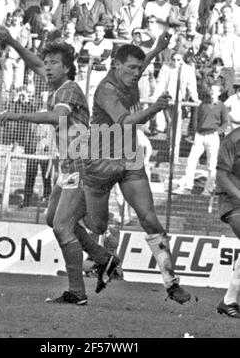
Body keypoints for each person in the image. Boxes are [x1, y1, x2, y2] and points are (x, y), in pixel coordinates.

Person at [0, 29, 119, 305]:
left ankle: (77, 291)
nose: (48, 66)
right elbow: (34, 62)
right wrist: (13, 41)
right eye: (47, 61)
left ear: (67, 67)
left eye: (54, 62)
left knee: (63, 226)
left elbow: (58, 117)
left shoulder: (69, 89)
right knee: (54, 219)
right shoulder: (57, 84)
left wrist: (17, 115)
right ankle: (103, 259)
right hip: (70, 166)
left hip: (84, 165)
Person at [81, 35, 192, 304]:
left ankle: (171, 283)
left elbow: (143, 65)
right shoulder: (106, 90)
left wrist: (157, 48)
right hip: (100, 162)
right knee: (98, 224)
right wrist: (154, 109)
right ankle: (99, 255)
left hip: (130, 158)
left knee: (149, 218)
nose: (137, 73)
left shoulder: (129, 75)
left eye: (138, 69)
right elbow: (126, 120)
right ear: (116, 65)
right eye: (131, 68)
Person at [174, 84, 229, 196]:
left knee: (211, 164)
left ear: (219, 93)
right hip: (200, 135)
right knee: (191, 161)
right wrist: (195, 133)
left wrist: (218, 131)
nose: (212, 92)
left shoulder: (222, 107)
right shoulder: (203, 105)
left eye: (215, 91)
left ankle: (208, 189)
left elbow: (225, 123)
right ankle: (188, 186)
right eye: (211, 90)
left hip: (212, 136)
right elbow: (196, 119)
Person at [216, 126, 240, 318]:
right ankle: (228, 300)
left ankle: (228, 301)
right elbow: (221, 176)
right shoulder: (233, 140)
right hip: (232, 202)